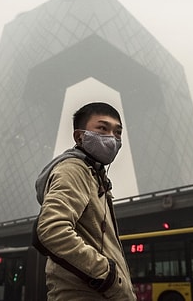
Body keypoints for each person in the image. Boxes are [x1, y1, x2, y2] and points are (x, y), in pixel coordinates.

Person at [33, 102, 137, 300]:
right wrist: (109, 276)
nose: (113, 138)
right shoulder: (74, 170)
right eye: (102, 128)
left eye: (118, 132)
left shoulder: (95, 175)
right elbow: (51, 229)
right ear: (79, 136)